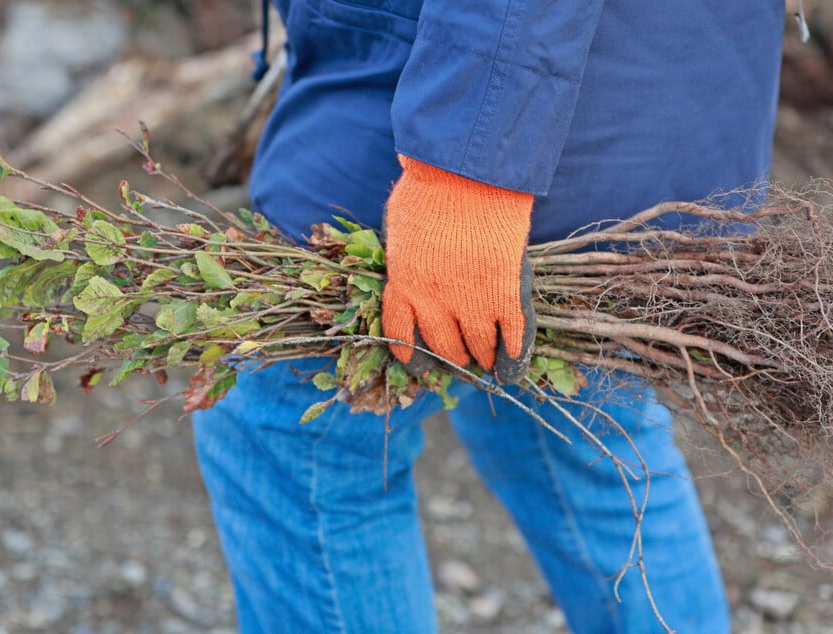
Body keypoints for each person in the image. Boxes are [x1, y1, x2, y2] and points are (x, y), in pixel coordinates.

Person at [192, 2, 786, 632]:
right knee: (576, 433)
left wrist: (467, 172)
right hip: (637, 80)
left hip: (460, 88)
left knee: (296, 427)